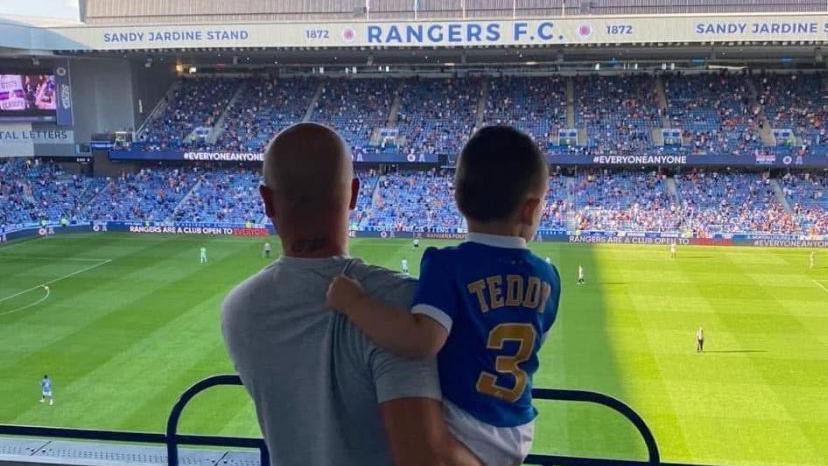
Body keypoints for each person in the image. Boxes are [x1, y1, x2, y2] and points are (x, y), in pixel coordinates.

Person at [222, 123, 480, 466]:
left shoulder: (239, 310)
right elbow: (422, 458)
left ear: (266, 200)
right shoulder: (400, 308)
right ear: (354, 194)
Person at [327, 126, 562, 466]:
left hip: (465, 429)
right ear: (529, 209)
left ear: (458, 200)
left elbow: (421, 339)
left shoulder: (447, 265)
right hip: (519, 429)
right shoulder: (549, 278)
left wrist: (355, 303)